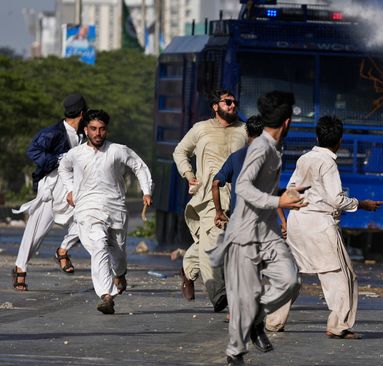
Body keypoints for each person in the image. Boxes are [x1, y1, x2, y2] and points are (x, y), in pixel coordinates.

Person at [210, 91, 304, 366]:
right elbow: (242, 187)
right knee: (243, 296)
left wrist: (288, 197)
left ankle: (257, 318)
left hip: (268, 232)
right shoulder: (260, 148)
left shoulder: (276, 148)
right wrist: (279, 201)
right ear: (287, 123)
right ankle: (235, 353)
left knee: (290, 281)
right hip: (244, 233)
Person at [270, 116, 383, 339]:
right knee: (342, 277)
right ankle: (339, 326)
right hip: (319, 224)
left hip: (297, 220)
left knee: (292, 275)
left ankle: (273, 321)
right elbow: (336, 200)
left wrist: (285, 222)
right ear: (340, 141)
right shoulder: (328, 163)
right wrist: (362, 204)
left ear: (317, 137)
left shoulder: (305, 158)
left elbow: (291, 190)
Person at [59, 109, 153, 314]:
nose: (97, 133)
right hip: (87, 208)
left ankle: (120, 273)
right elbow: (63, 168)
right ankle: (106, 295)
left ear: (107, 131)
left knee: (117, 254)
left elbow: (139, 167)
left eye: (101, 129)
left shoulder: (118, 150)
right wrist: (69, 189)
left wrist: (146, 191)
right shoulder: (75, 154)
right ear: (86, 130)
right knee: (99, 245)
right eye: (93, 129)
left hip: (115, 208)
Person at [173, 89, 248, 308]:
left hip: (237, 197)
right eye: (227, 102)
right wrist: (189, 175)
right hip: (208, 196)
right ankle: (218, 295)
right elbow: (180, 152)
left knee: (214, 240)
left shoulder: (243, 130)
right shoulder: (200, 129)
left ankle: (188, 270)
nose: (232, 106)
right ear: (215, 106)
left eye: (234, 102)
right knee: (213, 242)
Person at [11, 93, 87, 291]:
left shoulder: (85, 135)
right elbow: (33, 151)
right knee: (35, 233)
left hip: (73, 190)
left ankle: (62, 251)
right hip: (51, 188)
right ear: (82, 113)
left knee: (87, 221)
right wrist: (59, 158)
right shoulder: (53, 132)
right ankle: (20, 269)